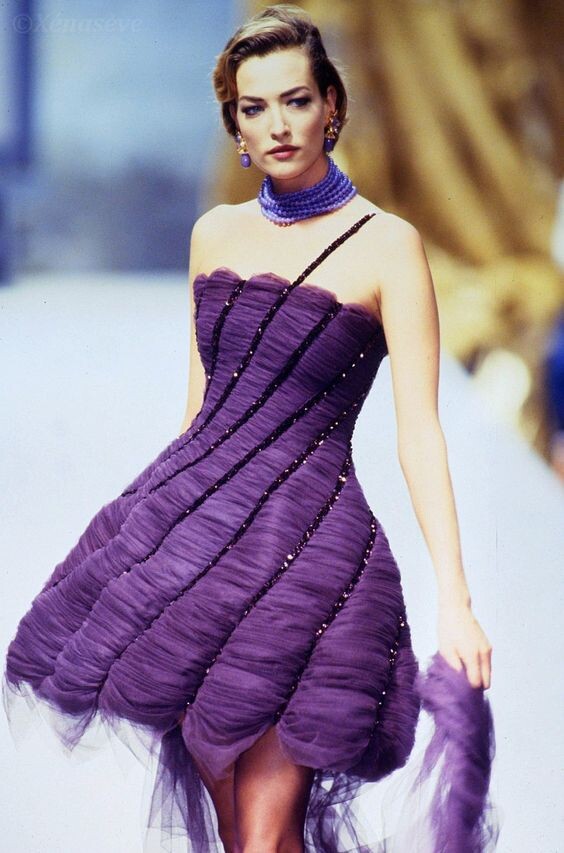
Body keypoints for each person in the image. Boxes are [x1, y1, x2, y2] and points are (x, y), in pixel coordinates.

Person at [3, 5, 498, 852]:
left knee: (264, 835)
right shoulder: (215, 234)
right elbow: (199, 411)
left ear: (331, 105)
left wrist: (456, 600)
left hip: (315, 563)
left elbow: (420, 430)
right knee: (245, 835)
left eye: (296, 100)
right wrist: (154, 556)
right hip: (205, 560)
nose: (277, 124)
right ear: (233, 124)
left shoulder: (389, 246)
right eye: (254, 107)